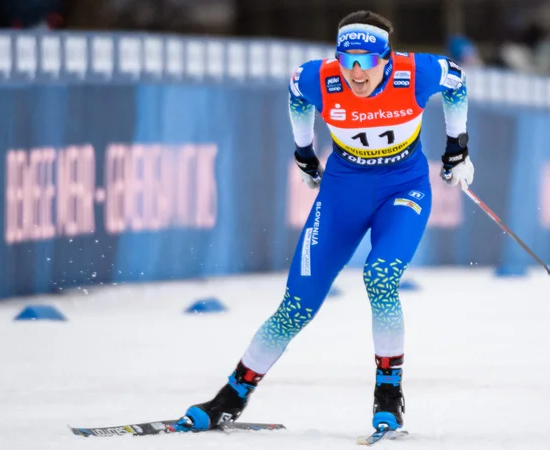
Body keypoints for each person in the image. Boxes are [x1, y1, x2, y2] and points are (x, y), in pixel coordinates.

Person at [175, 9, 473, 438]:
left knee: (380, 276)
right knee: (296, 305)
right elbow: (296, 94)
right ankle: (231, 398)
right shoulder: (318, 77)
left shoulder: (416, 72)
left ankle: (388, 396)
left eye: (366, 62)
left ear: (386, 58)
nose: (356, 73)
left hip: (401, 191)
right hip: (341, 194)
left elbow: (457, 82)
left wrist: (457, 149)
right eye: (347, 60)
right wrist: (304, 152)